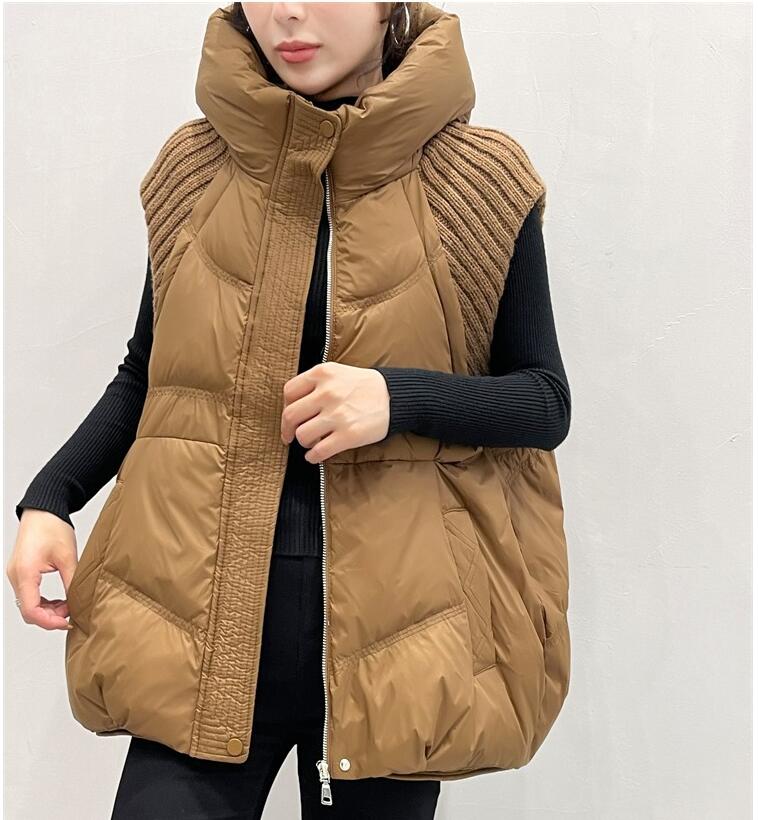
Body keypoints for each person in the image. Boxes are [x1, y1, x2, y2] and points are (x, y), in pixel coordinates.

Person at [8, 3, 571, 818]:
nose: (288, 14)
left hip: (398, 652)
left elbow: (543, 399)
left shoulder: (478, 179)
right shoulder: (197, 168)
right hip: (198, 637)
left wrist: (394, 397)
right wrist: (50, 497)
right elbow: (149, 378)